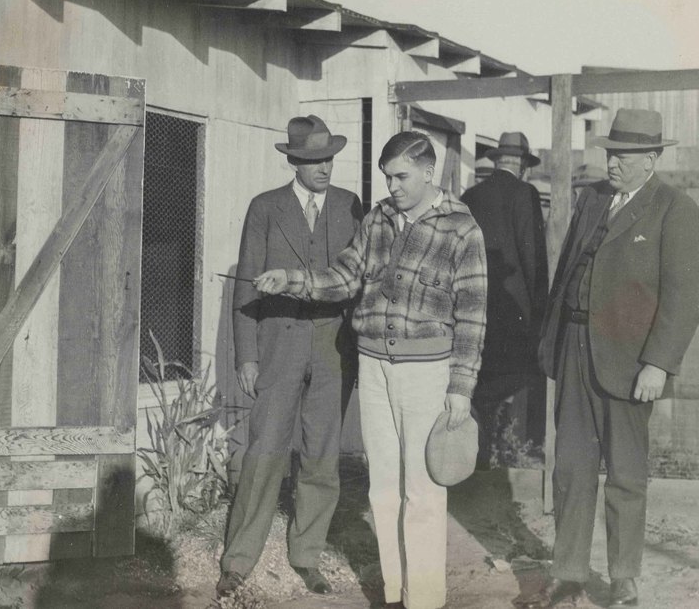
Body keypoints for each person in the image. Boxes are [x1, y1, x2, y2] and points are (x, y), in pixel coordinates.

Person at [253, 131, 487, 609]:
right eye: (387, 176)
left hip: (428, 374)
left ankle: (424, 599)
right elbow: (344, 276)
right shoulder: (379, 218)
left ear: (428, 172)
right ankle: (397, 592)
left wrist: (460, 387)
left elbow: (474, 315)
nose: (392, 185)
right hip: (374, 369)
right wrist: (290, 280)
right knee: (383, 489)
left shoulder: (462, 228)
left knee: (422, 490)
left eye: (401, 176)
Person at [528, 109, 699, 608]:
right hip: (575, 351)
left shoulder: (675, 210)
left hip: (630, 362)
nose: (614, 164)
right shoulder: (591, 200)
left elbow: (683, 296)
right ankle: (568, 574)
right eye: (610, 154)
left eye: (624, 157)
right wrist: (551, 344)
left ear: (650, 159)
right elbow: (564, 275)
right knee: (571, 467)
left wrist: (659, 363)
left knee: (626, 473)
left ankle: (624, 577)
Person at [216, 115, 363, 598]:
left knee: (321, 457)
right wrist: (247, 355)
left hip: (333, 348)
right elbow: (246, 290)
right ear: (294, 162)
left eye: (329, 158)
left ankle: (307, 555)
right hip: (277, 347)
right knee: (264, 453)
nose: (324, 167)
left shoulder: (349, 206)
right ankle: (238, 561)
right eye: (313, 160)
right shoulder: (266, 207)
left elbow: (358, 281)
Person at [461, 132, 548, 466]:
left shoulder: (470, 196)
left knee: (478, 393)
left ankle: (477, 463)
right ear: (523, 164)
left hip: (473, 309)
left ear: (496, 161)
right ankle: (512, 457)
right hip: (515, 315)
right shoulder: (525, 193)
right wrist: (539, 315)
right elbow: (533, 258)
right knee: (516, 389)